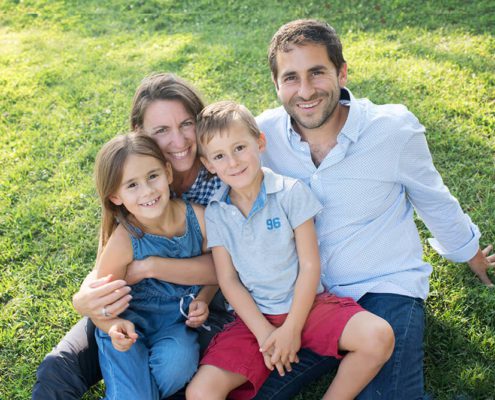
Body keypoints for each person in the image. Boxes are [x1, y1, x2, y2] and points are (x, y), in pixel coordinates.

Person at [33, 73, 335, 400]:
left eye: (186, 124)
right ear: (140, 134)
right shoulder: (133, 176)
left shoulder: (226, 175)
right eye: (161, 130)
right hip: (135, 309)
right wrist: (82, 299)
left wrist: (151, 266)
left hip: (198, 313)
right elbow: (111, 259)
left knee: (178, 371)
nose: (178, 141)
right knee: (58, 367)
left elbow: (229, 268)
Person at [255, 19, 495, 399]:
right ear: (276, 84)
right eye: (291, 78)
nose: (305, 91)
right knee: (253, 389)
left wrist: (469, 253)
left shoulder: (391, 130)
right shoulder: (261, 138)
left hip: (383, 288)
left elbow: (433, 199)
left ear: (342, 72)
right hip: (306, 299)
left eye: (317, 73)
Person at [185, 101, 394, 400]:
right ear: (209, 165)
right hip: (253, 320)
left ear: (260, 142)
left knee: (378, 335)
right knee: (200, 392)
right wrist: (265, 334)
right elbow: (228, 280)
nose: (232, 162)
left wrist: (292, 328)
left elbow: (310, 265)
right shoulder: (217, 213)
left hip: (308, 308)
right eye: (219, 156)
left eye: (240, 147)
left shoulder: (290, 191)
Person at [91, 133, 217, 399]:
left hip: (174, 325)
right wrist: (113, 328)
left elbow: (217, 271)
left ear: (168, 172)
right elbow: (99, 307)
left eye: (152, 176)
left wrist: (204, 299)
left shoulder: (199, 218)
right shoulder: (124, 240)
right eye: (132, 185)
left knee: (179, 363)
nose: (147, 191)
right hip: (127, 326)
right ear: (115, 196)